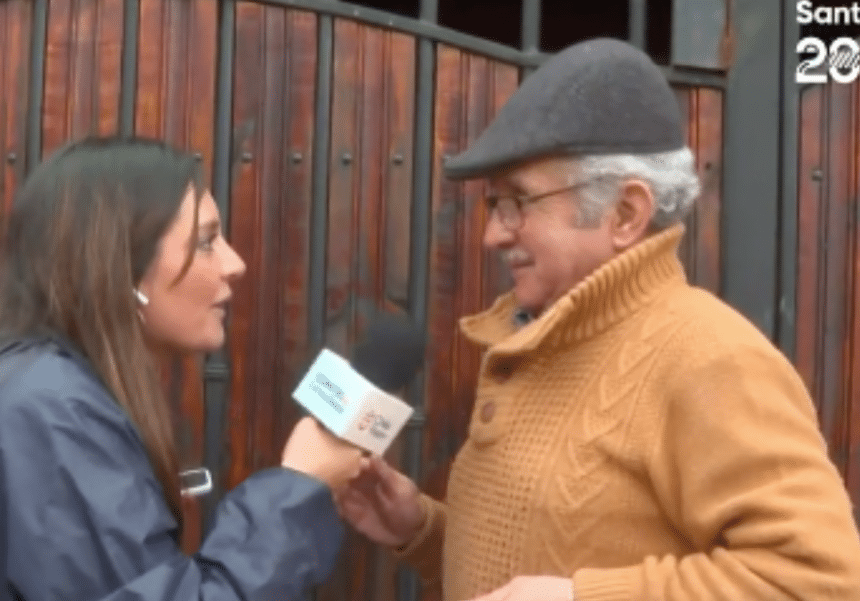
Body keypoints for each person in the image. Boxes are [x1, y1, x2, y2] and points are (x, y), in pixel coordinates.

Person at [337, 38, 860, 601]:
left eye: (518, 202)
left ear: (626, 213)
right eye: (493, 205)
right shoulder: (545, 340)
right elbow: (539, 561)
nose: (492, 234)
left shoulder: (711, 356)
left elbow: (819, 580)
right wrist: (419, 530)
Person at [0, 136, 363, 601]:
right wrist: (299, 487)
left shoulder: (39, 390)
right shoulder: (48, 412)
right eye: (205, 241)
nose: (235, 263)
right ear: (119, 264)